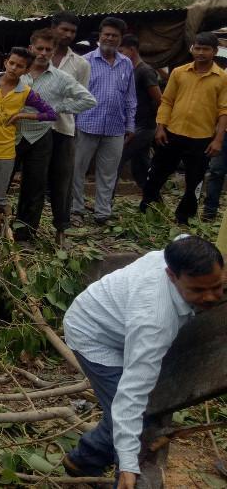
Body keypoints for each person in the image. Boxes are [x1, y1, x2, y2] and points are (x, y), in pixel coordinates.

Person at [62, 235, 224, 488]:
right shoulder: (155, 322)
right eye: (198, 290)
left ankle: (84, 459)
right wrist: (128, 464)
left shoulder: (184, 250)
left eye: (217, 286)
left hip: (124, 320)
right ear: (171, 275)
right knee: (139, 418)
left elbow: (183, 238)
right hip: (92, 334)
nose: (212, 297)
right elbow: (131, 397)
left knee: (137, 409)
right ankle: (125, 481)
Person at [0, 47, 57, 235]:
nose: (14, 68)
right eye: (11, 63)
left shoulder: (26, 93)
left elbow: (51, 114)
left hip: (5, 154)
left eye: (20, 66)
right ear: (6, 63)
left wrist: (23, 115)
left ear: (27, 70)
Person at [14, 29, 96, 243]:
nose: (42, 53)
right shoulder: (17, 71)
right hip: (11, 134)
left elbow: (88, 100)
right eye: (39, 48)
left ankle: (24, 234)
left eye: (48, 50)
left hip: (41, 136)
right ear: (31, 48)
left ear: (53, 52)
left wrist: (56, 107)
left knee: (35, 186)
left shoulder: (61, 78)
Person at [140, 32, 227, 224]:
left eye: (206, 49)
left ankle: (184, 218)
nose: (201, 53)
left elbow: (223, 111)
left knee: (194, 182)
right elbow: (167, 101)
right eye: (197, 48)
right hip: (172, 133)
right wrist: (160, 127)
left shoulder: (222, 78)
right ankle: (148, 209)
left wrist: (218, 140)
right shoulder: (179, 72)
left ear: (214, 51)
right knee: (156, 173)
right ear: (192, 49)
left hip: (201, 138)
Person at [70, 17, 136, 226]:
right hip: (86, 124)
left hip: (115, 128)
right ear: (100, 36)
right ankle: (76, 211)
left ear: (120, 39)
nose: (109, 38)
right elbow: (74, 95)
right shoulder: (85, 62)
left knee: (108, 174)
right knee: (77, 170)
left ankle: (102, 214)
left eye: (114, 35)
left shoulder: (126, 64)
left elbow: (130, 97)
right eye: (106, 34)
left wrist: (130, 125)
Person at [48, 12, 92, 236]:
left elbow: (82, 98)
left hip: (64, 129)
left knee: (62, 182)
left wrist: (56, 107)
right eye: (64, 29)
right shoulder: (38, 54)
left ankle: (61, 230)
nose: (68, 34)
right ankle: (23, 228)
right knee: (31, 181)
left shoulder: (80, 64)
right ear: (53, 28)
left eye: (72, 31)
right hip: (31, 129)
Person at [116, 34, 162, 192]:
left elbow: (160, 100)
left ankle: (106, 203)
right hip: (132, 124)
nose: (118, 54)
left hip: (143, 126)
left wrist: (157, 125)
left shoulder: (145, 71)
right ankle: (153, 201)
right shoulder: (128, 69)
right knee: (140, 166)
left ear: (132, 49)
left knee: (117, 159)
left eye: (121, 50)